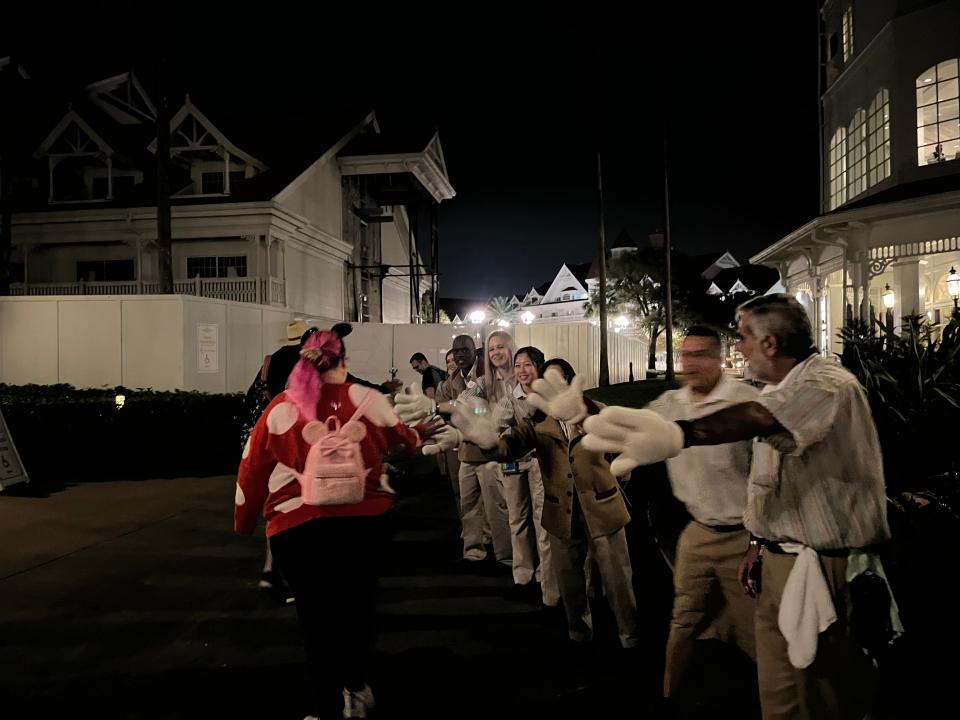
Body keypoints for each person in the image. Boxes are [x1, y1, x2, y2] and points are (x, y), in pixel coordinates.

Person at [583, 294, 891, 720]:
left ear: (770, 343)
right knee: (782, 690)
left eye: (744, 336)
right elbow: (769, 477)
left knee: (824, 688)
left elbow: (759, 419)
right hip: (776, 555)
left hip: (822, 566)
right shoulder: (778, 390)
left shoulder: (827, 384)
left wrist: (680, 436)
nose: (739, 347)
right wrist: (759, 541)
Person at [235, 328, 454, 720]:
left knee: (316, 620)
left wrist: (244, 519)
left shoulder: (282, 407)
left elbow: (251, 467)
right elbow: (402, 442)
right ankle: (355, 684)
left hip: (297, 528)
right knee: (358, 606)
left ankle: (328, 707)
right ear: (344, 362)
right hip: (364, 522)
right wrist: (418, 435)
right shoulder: (365, 400)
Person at [455, 357, 640, 651]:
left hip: (602, 509)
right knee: (570, 581)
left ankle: (629, 636)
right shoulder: (539, 421)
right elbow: (509, 446)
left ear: (571, 381)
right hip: (561, 512)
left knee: (618, 579)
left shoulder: (597, 412)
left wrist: (617, 479)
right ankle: (579, 633)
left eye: (557, 381)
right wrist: (486, 440)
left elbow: (623, 454)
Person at [645, 326, 759, 709]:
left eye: (700, 355)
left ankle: (772, 702)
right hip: (697, 532)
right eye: (685, 355)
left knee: (758, 632)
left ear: (718, 358)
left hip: (744, 536)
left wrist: (758, 542)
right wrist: (585, 413)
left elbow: (768, 477)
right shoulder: (670, 403)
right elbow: (629, 427)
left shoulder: (745, 401)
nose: (690, 363)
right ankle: (669, 700)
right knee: (684, 618)